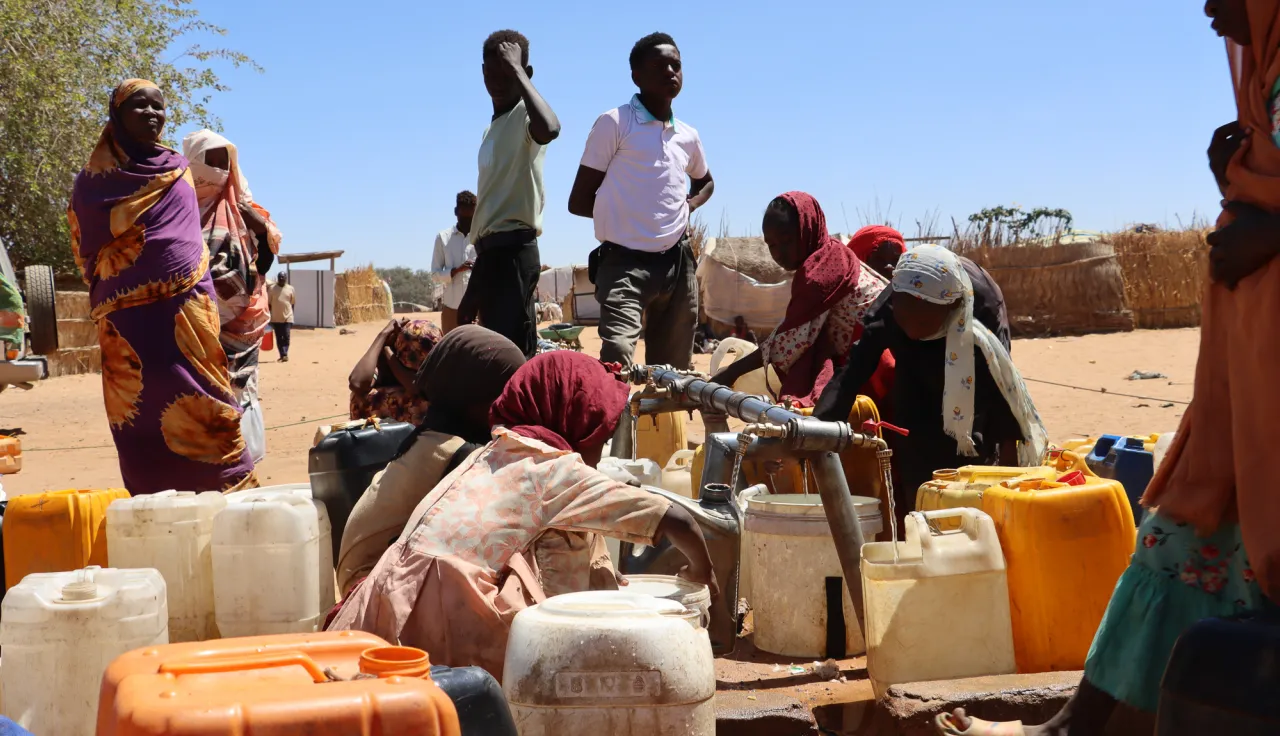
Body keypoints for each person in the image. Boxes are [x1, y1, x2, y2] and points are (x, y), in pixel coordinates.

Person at [939, 2, 1277, 733]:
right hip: (1248, 389)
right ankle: (1076, 724)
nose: (1212, 12)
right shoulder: (1266, 87)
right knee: (1175, 535)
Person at [328, 351, 718, 679]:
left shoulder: (494, 451)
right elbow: (674, 518)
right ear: (576, 417)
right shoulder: (553, 470)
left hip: (385, 599)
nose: (601, 445)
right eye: (602, 431)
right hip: (444, 618)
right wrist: (702, 571)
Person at [68, 79, 255, 494]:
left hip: (186, 314)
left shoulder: (176, 170)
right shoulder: (91, 184)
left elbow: (189, 244)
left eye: (159, 107)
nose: (153, 114)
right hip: (127, 327)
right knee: (139, 415)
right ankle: (154, 517)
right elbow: (86, 248)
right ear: (117, 114)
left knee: (207, 404)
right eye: (140, 106)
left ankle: (229, 495)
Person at [816, 245, 1044, 524]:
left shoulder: (982, 310)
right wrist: (817, 430)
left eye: (922, 320)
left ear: (949, 307)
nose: (912, 328)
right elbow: (852, 373)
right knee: (913, 437)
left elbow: (1000, 394)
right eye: (904, 316)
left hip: (966, 361)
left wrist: (1009, 475)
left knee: (973, 443)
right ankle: (920, 518)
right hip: (914, 371)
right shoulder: (888, 311)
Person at [337, 325, 526, 597]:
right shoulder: (458, 453)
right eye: (503, 396)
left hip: (376, 573)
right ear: (472, 397)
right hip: (368, 587)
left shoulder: (434, 436)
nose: (510, 408)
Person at [568, 32, 714, 370]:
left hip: (677, 263)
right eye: (658, 65)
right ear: (636, 75)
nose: (670, 71)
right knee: (616, 359)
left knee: (673, 372)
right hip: (623, 263)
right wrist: (629, 217)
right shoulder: (615, 123)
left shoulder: (687, 136)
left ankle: (659, 425)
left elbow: (706, 182)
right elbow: (578, 201)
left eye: (675, 65)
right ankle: (613, 422)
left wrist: (688, 206)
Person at [711, 192, 888, 408]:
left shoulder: (819, 275)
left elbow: (789, 341)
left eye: (786, 240)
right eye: (771, 245)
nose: (779, 253)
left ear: (808, 230)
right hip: (872, 356)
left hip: (883, 366)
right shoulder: (833, 254)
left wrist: (731, 372)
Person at [457, 30, 560, 357]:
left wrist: (516, 69)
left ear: (525, 74)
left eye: (508, 73)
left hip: (514, 251)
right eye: (491, 73)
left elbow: (551, 128)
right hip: (489, 255)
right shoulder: (492, 128)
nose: (497, 81)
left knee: (512, 356)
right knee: (477, 340)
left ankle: (520, 409)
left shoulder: (527, 116)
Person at [183, 129, 282, 464]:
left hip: (241, 324)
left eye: (224, 161)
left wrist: (257, 228)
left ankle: (241, 462)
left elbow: (264, 264)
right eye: (211, 161)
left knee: (240, 392)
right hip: (192, 325)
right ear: (193, 162)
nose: (219, 170)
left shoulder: (239, 207)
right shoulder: (174, 209)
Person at [349, 318, 442, 424]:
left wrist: (388, 352)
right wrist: (383, 335)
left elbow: (415, 386)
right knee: (359, 396)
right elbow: (357, 383)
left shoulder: (439, 370)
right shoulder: (387, 365)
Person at [432, 191, 477, 333]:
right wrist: (456, 270)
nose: (468, 222)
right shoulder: (443, 238)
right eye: (464, 217)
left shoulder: (481, 237)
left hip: (477, 310)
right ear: (456, 212)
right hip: (452, 309)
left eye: (471, 217)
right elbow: (435, 274)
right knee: (450, 353)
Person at [267, 271, 295, 362]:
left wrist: (292, 315)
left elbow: (292, 303)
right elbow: (269, 304)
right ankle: (282, 354)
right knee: (279, 337)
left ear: (286, 278)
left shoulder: (291, 289)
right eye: (280, 277)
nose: (281, 279)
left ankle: (285, 354)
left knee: (286, 336)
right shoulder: (272, 289)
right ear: (278, 278)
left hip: (288, 317)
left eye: (283, 277)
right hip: (276, 318)